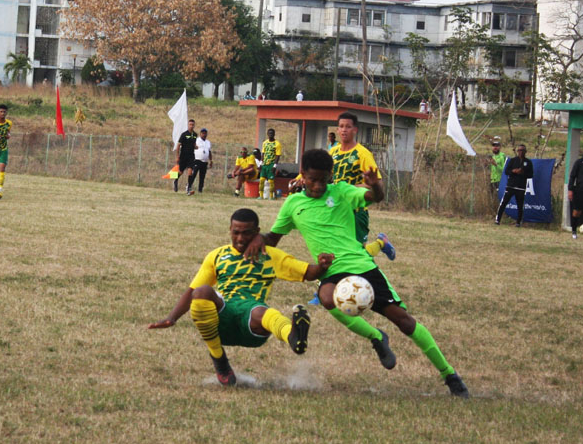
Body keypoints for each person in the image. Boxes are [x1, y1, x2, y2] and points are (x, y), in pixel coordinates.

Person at [245, 148, 469, 397]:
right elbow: (273, 238)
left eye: (323, 180)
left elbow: (375, 197)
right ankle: (376, 337)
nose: (318, 186)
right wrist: (259, 238)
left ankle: (449, 374)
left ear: (330, 176)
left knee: (404, 322)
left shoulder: (341, 191)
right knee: (327, 298)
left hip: (363, 266)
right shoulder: (292, 204)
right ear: (303, 175)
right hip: (332, 270)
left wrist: (375, 185)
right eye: (313, 180)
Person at [148, 208, 334, 386]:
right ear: (230, 229)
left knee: (263, 312)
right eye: (236, 232)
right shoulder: (217, 255)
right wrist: (172, 318)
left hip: (251, 322)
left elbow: (308, 272)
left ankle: (292, 336)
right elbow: (192, 291)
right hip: (221, 321)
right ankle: (220, 361)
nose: (240, 238)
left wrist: (322, 266)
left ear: (257, 232)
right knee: (201, 292)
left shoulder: (270, 256)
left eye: (246, 233)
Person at [329, 112, 395, 261]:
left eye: (348, 127)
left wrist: (354, 188)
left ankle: (380, 243)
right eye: (341, 126)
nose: (344, 130)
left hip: (357, 210)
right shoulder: (333, 152)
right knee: (338, 250)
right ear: (337, 130)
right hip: (337, 208)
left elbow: (377, 182)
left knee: (358, 253)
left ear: (355, 130)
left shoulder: (362, 153)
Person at [495, 144, 533, 227]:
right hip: (511, 186)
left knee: (520, 206)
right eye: (519, 150)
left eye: (522, 150)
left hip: (521, 187)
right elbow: (506, 171)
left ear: (525, 152)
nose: (520, 152)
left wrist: (522, 173)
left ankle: (518, 222)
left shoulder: (528, 162)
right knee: (503, 203)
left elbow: (530, 175)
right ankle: (497, 220)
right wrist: (513, 171)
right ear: (517, 151)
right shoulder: (513, 160)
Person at [175, 119, 198, 194]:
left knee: (190, 172)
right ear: (188, 125)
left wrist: (195, 147)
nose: (191, 126)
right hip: (183, 156)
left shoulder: (195, 135)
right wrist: (177, 156)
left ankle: (189, 188)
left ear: (194, 125)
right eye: (190, 124)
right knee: (181, 171)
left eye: (192, 125)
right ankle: (175, 180)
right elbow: (178, 145)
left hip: (191, 156)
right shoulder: (184, 134)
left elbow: (193, 144)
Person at [258, 128, 282, 200]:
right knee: (261, 180)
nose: (271, 134)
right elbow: (263, 153)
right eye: (269, 133)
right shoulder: (265, 143)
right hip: (264, 164)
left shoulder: (277, 144)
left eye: (272, 133)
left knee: (271, 181)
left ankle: (271, 196)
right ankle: (261, 196)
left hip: (271, 164)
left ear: (274, 134)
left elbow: (278, 156)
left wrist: (275, 165)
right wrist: (261, 163)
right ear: (267, 134)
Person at [187, 128, 212, 195]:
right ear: (200, 134)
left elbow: (209, 151)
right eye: (203, 133)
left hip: (204, 161)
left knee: (202, 177)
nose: (204, 134)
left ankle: (200, 190)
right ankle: (189, 187)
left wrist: (211, 160)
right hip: (197, 160)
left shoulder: (208, 142)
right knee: (193, 174)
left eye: (205, 133)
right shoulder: (197, 140)